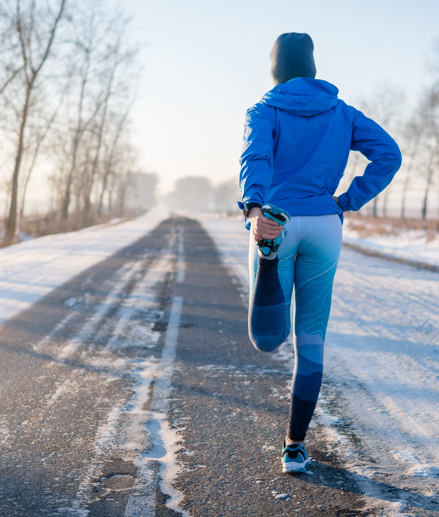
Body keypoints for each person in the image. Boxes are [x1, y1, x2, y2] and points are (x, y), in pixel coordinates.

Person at [238, 32, 402, 474]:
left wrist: (254, 210)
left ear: (276, 68)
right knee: (312, 341)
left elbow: (255, 159)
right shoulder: (342, 112)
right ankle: (295, 447)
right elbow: (389, 154)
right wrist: (347, 200)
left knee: (269, 339)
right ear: (310, 67)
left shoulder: (265, 109)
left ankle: (269, 260)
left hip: (276, 220)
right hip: (325, 226)